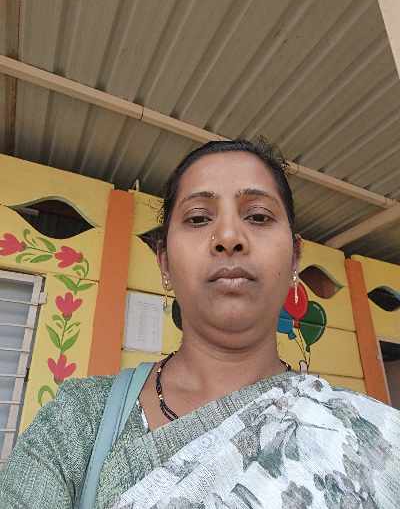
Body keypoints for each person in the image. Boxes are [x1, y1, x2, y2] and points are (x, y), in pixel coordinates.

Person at [0, 139, 399, 509]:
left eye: (258, 216)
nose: (228, 236)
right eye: (197, 218)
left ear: (295, 258)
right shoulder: (77, 421)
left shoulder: (366, 436)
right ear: (164, 262)